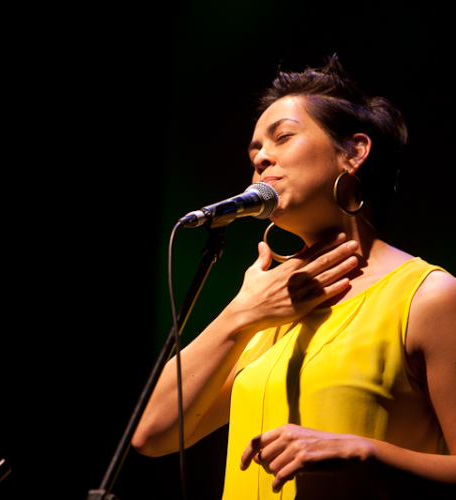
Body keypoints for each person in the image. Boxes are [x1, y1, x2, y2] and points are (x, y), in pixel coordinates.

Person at [131, 55, 456, 498]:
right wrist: (241, 314)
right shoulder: (269, 308)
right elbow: (152, 434)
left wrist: (364, 451)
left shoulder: (428, 296)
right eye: (254, 152)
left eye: (282, 137)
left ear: (354, 152)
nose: (261, 158)